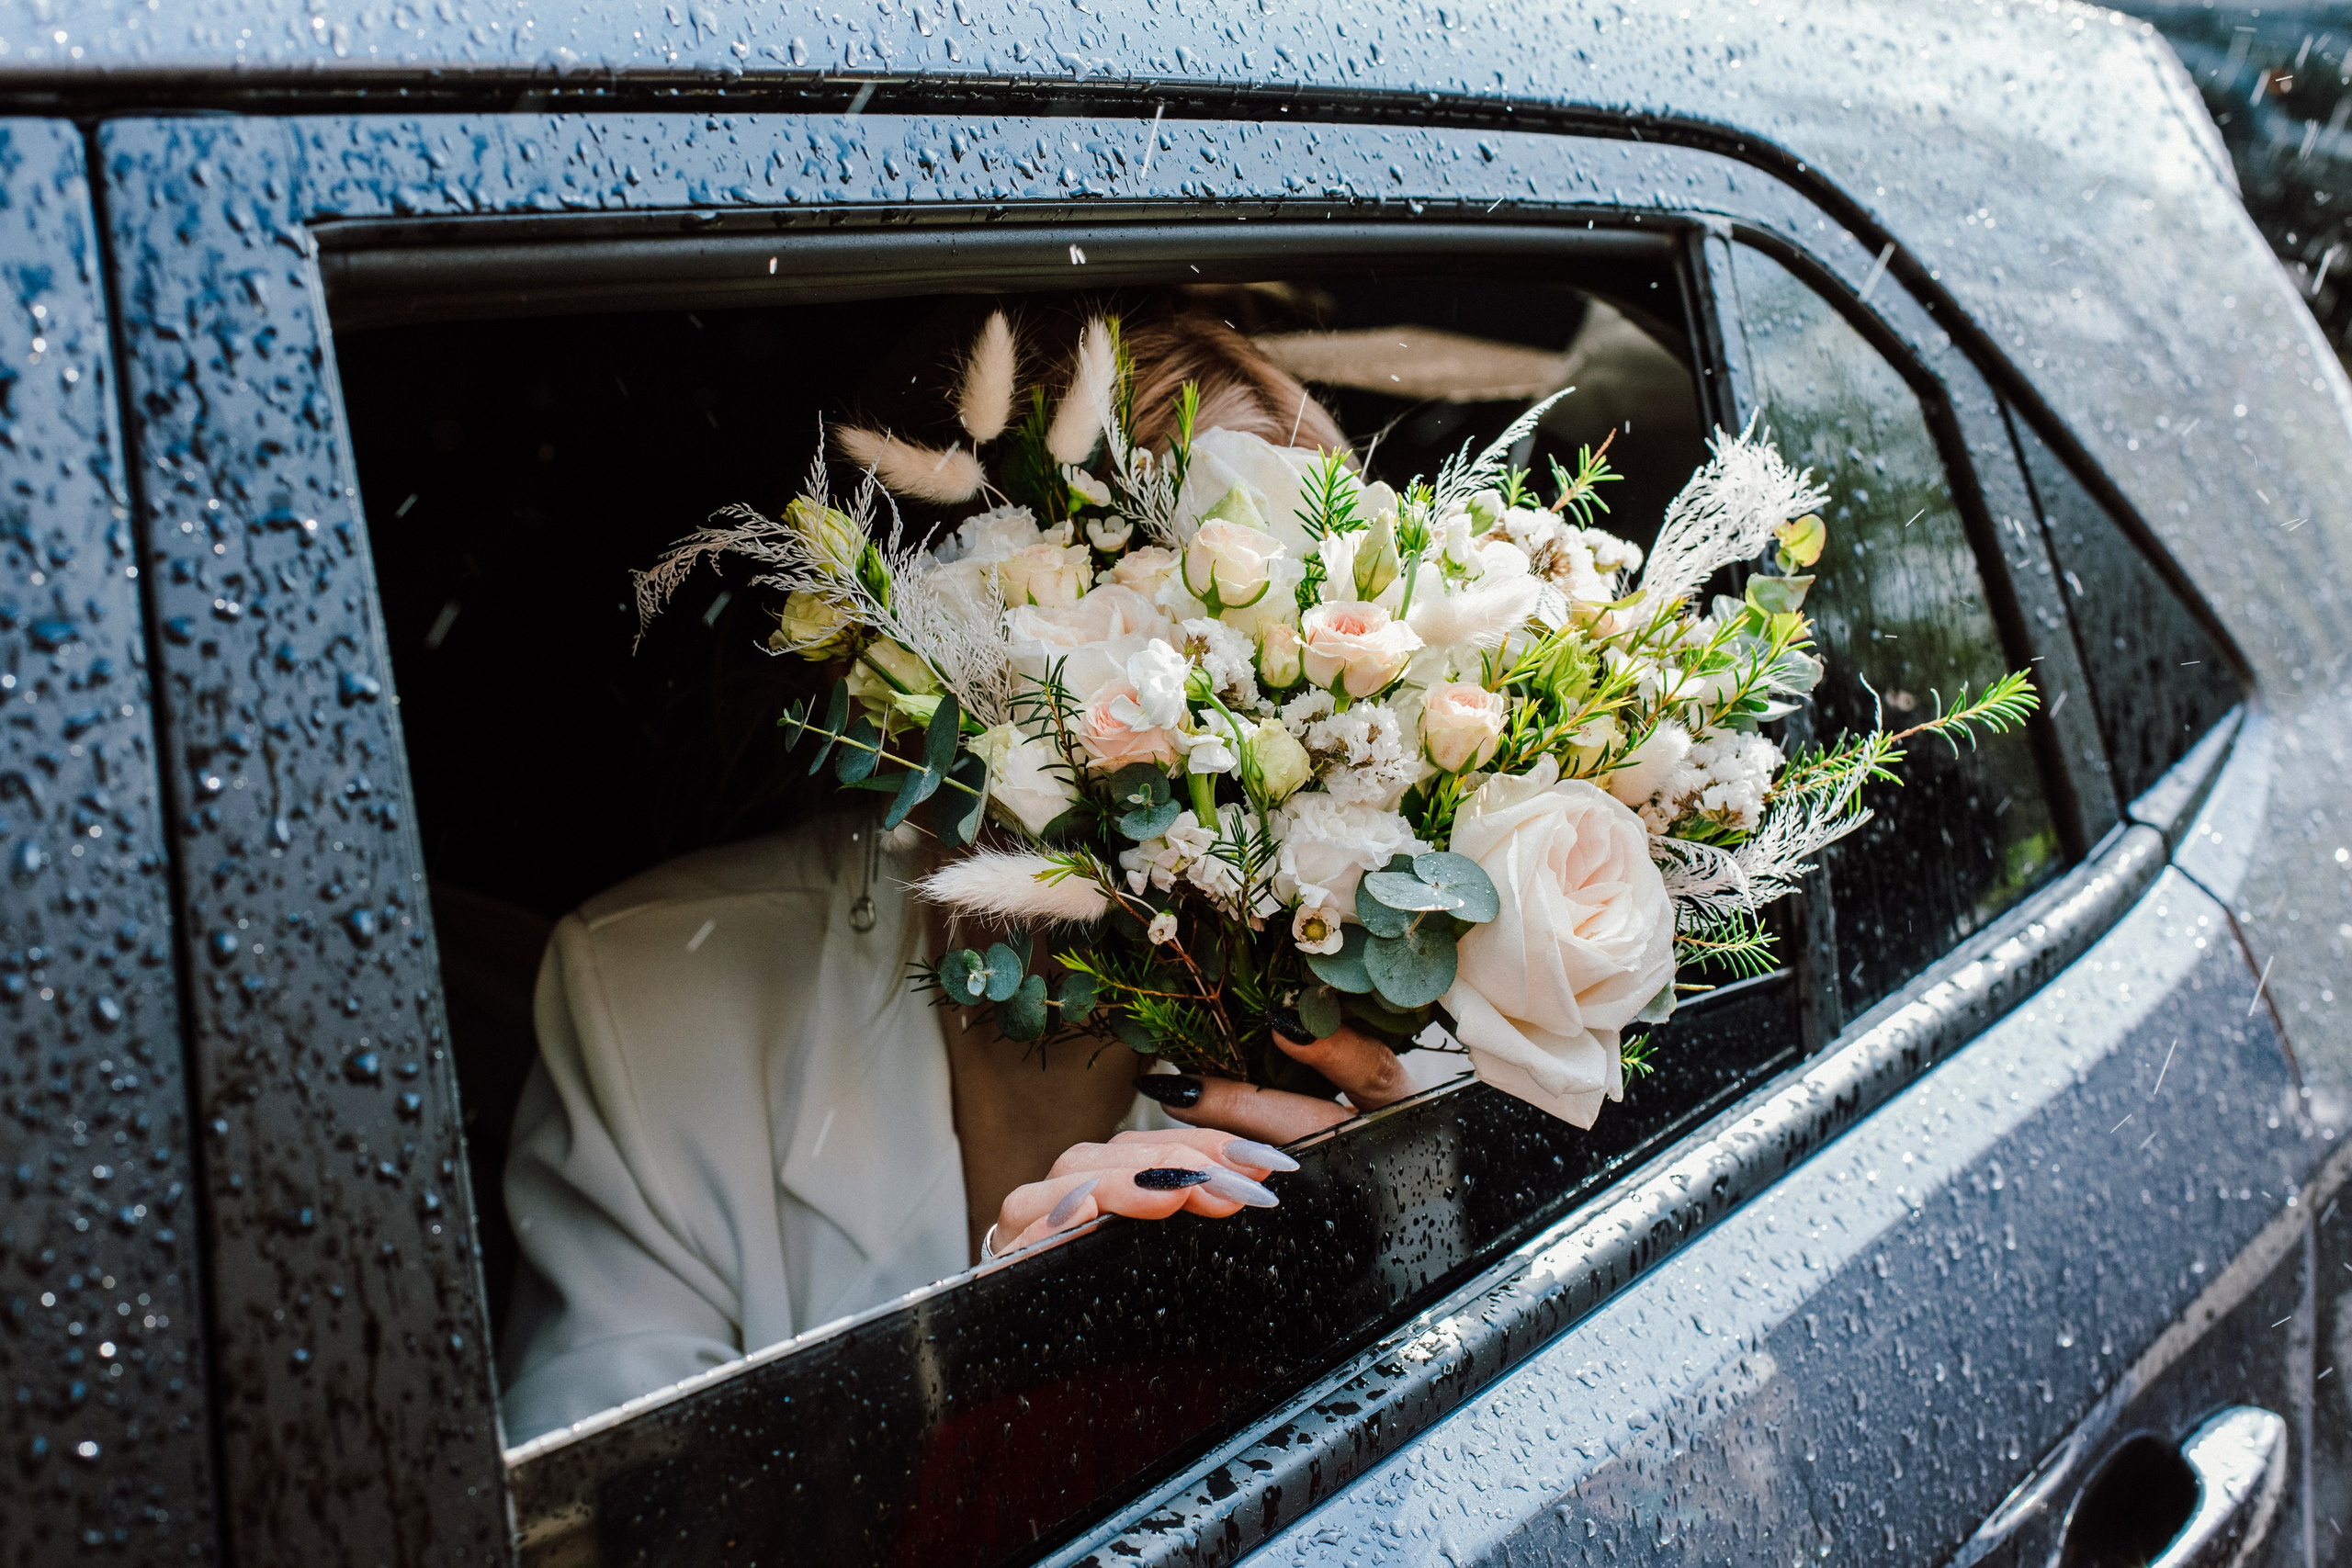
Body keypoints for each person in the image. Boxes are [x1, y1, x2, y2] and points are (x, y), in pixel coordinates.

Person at [496, 301, 1449, 1447]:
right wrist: (1000, 1359)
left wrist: (1405, 1215)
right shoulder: (652, 1002)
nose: (1210, 742)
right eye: (1154, 649)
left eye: (1280, 672)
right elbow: (620, 1508)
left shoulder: (1396, 991)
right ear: (911, 674)